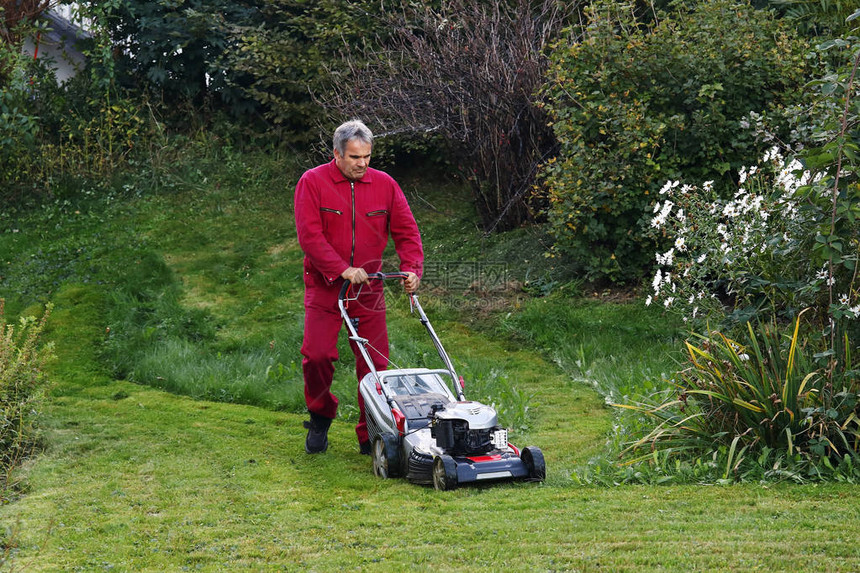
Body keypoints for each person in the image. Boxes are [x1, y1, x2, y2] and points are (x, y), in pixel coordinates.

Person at [294, 119, 424, 454]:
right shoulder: (313, 182)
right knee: (318, 356)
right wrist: (341, 269)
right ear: (336, 153)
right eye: (354, 157)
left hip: (369, 289)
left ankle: (372, 435)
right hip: (325, 286)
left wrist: (411, 269)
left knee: (375, 367)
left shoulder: (385, 185)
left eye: (367, 156)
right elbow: (310, 237)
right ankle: (320, 415)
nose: (362, 163)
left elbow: (407, 232)